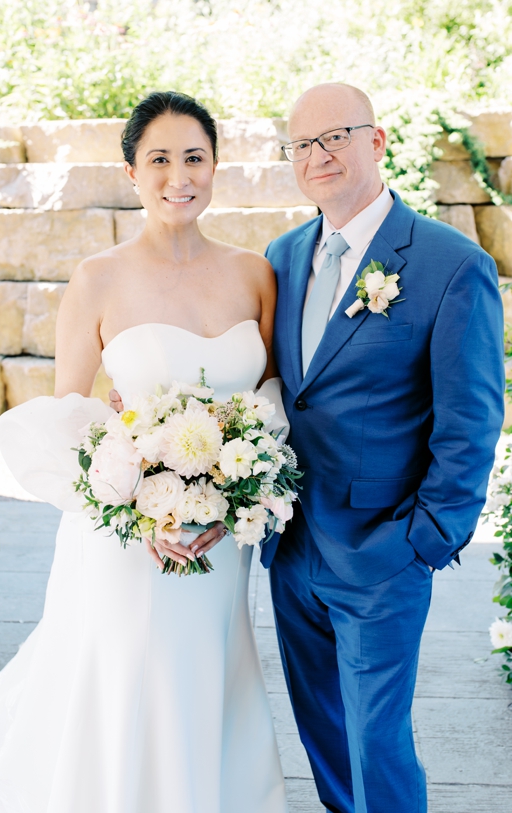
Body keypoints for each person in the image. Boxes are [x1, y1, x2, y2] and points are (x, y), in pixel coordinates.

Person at [0, 91, 288, 813]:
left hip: (218, 534)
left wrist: (240, 497)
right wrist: (140, 512)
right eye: (160, 159)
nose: (179, 175)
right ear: (131, 172)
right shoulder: (99, 278)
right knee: (125, 676)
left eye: (195, 158)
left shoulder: (254, 275)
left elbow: (270, 404)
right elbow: (73, 419)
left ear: (215, 166)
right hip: (124, 536)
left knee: (203, 671)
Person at [259, 83, 504, 813]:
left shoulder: (449, 264)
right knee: (323, 735)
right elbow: (276, 389)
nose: (319, 155)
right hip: (292, 547)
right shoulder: (282, 256)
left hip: (382, 551)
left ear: (378, 140)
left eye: (336, 135)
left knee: (377, 740)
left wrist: (423, 540)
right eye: (303, 144)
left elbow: (471, 423)